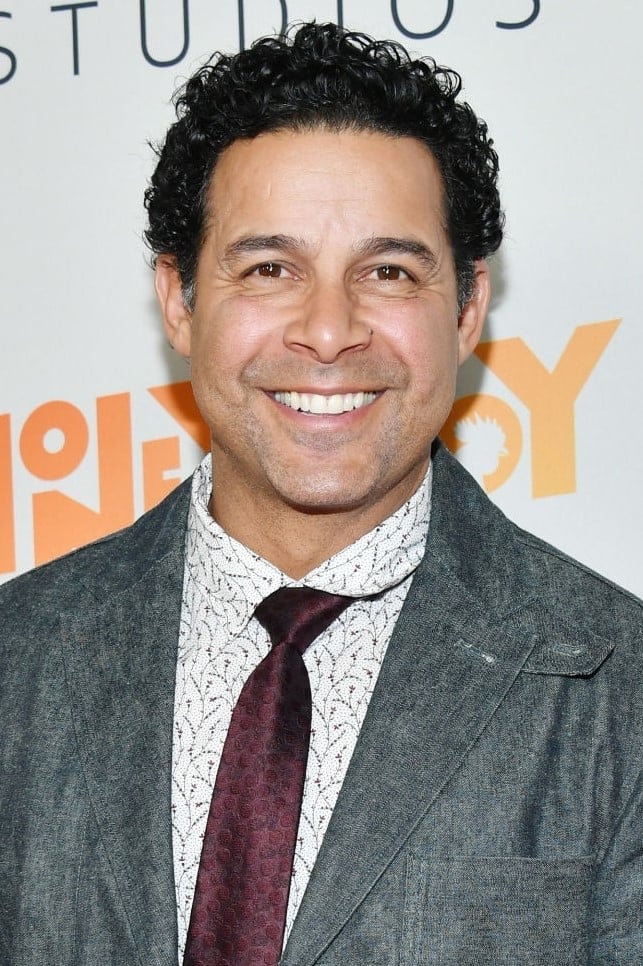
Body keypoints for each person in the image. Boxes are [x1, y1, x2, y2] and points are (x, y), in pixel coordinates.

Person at [1, 21, 641, 966]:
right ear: (179, 301)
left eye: (387, 272)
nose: (330, 330)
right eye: (270, 268)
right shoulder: (18, 658)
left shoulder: (619, 689)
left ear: (467, 308)